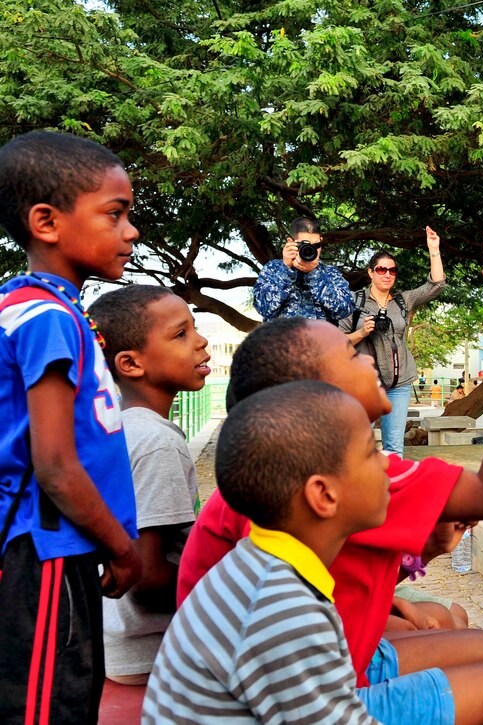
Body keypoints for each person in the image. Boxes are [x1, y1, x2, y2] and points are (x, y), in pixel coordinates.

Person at [178, 250, 483, 724]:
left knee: (466, 635)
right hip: (315, 690)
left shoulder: (279, 515)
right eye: (349, 354)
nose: (366, 358)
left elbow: (343, 585)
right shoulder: (280, 605)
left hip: (319, 675)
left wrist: (423, 557)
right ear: (312, 397)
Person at [0, 131, 142, 722]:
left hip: (60, 552)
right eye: (115, 214)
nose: (130, 232)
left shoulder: (42, 309)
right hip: (49, 554)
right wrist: (124, 548)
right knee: (45, 708)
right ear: (46, 222)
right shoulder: (47, 319)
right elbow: (56, 464)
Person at [143, 382, 385, 723]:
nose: (388, 465)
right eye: (372, 453)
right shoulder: (281, 606)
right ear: (324, 495)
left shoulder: (265, 565)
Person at [88, 285, 210, 685]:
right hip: (153, 654)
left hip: (113, 644)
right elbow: (145, 578)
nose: (201, 341)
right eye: (181, 335)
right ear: (130, 363)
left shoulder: (116, 429)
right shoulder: (156, 442)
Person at [341, 227, 445, 453]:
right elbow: (337, 343)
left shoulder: (402, 301)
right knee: (359, 446)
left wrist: (434, 250)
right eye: (381, 269)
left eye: (392, 270)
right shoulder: (354, 302)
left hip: (399, 384)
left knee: (394, 448)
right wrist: (361, 333)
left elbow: (435, 286)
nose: (387, 274)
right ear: (370, 272)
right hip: (364, 384)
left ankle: (391, 488)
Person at [253, 216, 354, 322]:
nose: (311, 249)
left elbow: (345, 310)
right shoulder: (273, 269)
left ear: (321, 241)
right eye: (304, 245)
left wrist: (315, 275)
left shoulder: (330, 272)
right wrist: (285, 269)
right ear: (290, 242)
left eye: (316, 245)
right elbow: (264, 308)